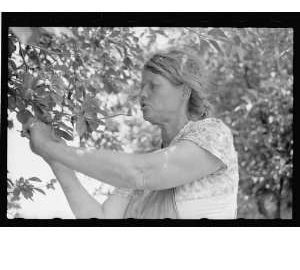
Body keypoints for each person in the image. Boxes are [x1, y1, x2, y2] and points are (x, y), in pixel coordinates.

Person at [23, 48, 239, 219]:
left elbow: (142, 173)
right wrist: (55, 158)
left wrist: (49, 146)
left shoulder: (213, 134)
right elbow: (101, 218)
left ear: (184, 91)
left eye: (153, 86)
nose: (142, 94)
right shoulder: (146, 163)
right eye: (141, 86)